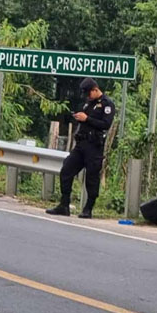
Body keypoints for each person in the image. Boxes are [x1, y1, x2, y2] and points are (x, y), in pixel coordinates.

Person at [46, 78, 115, 219]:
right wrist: (79, 117)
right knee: (66, 170)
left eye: (88, 93)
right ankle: (64, 205)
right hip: (81, 145)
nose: (87, 96)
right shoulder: (88, 103)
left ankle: (88, 208)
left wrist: (87, 119)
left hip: (94, 146)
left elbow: (106, 124)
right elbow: (85, 119)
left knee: (92, 177)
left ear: (95, 89)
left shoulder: (107, 104)